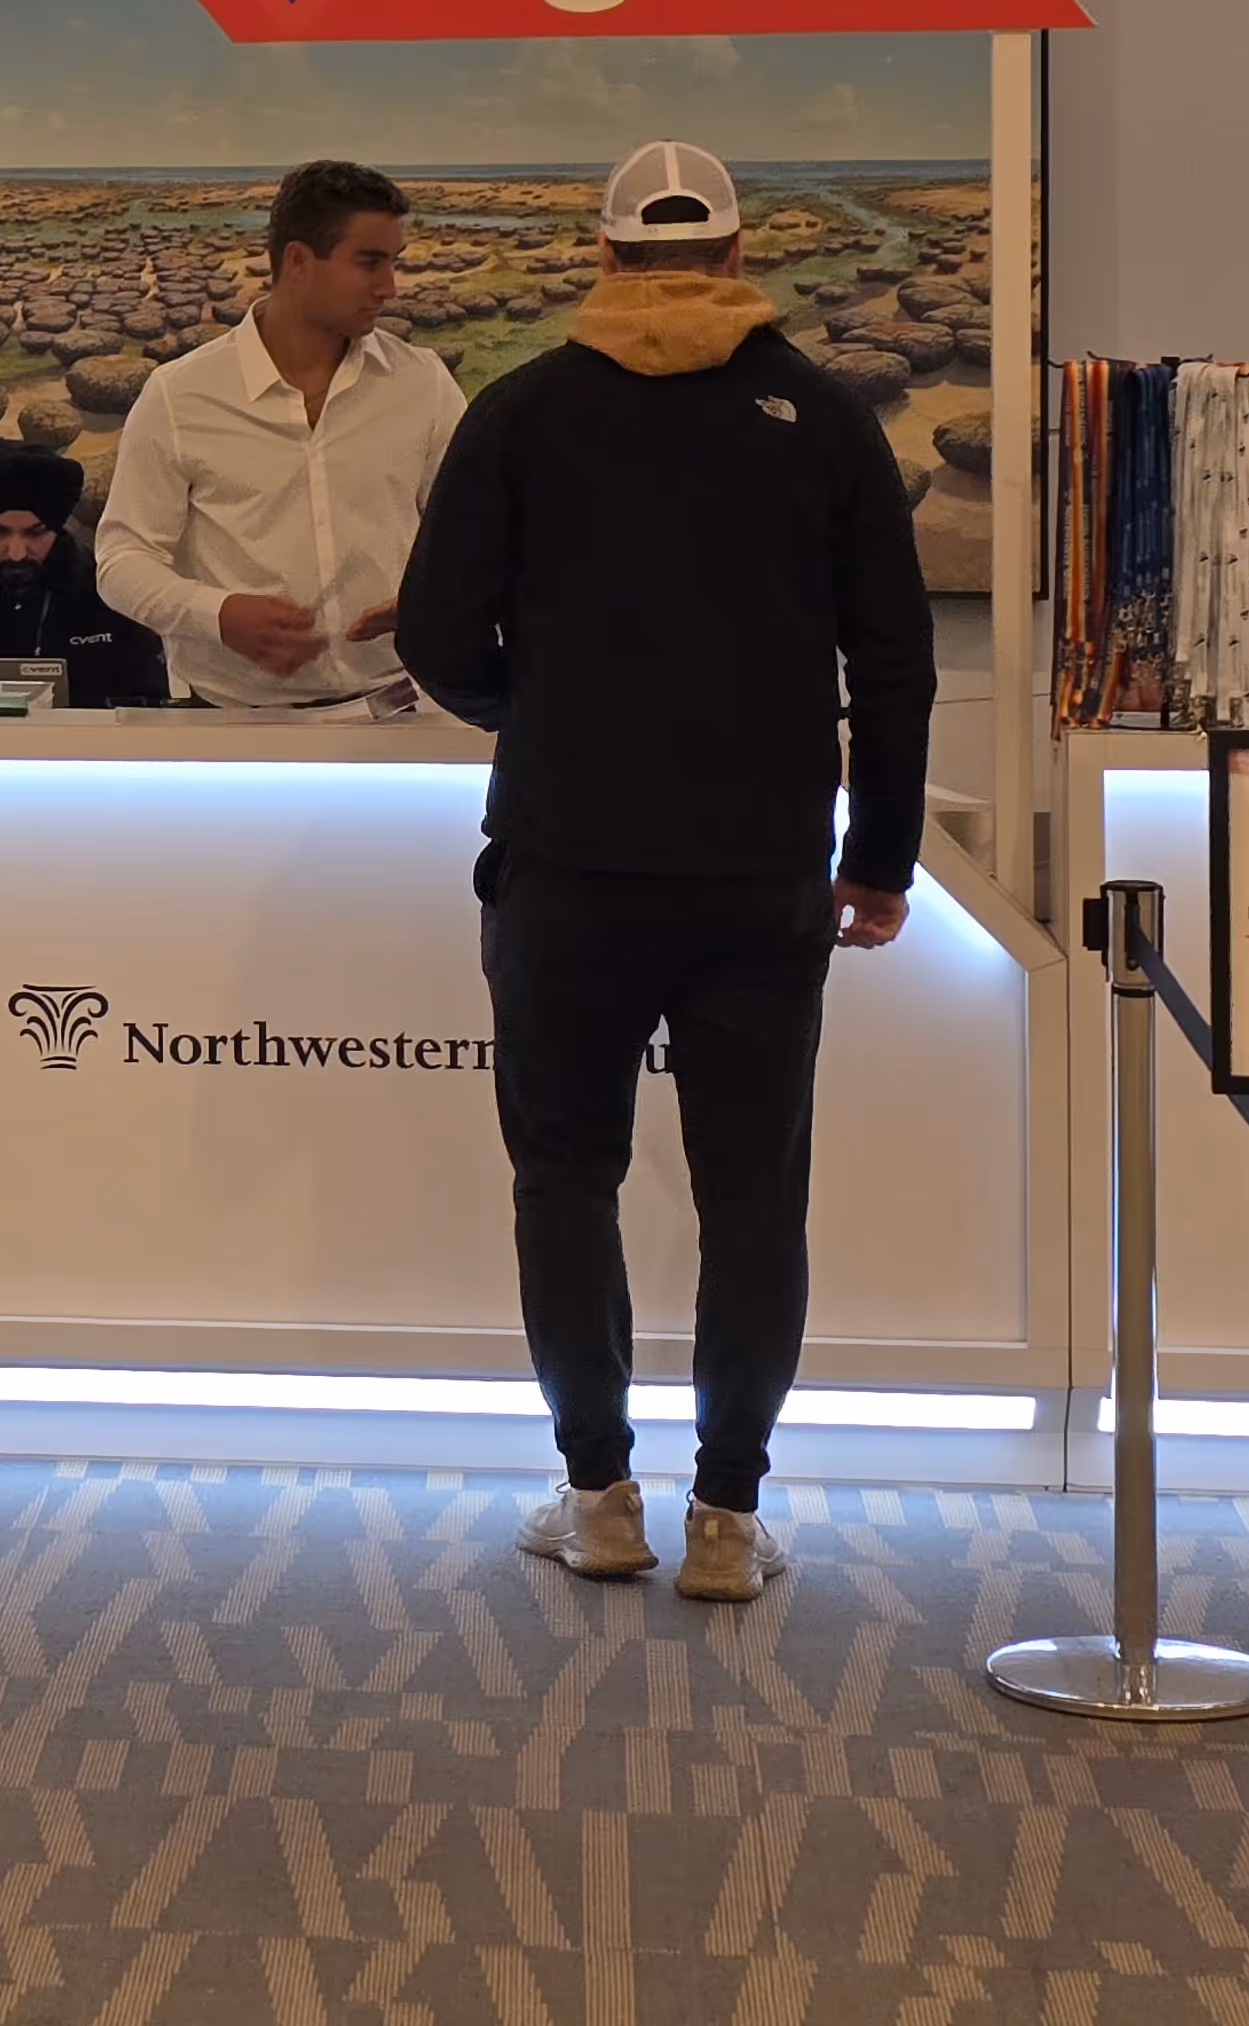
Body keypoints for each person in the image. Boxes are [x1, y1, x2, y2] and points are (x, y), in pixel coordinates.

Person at [396, 139, 937, 1604]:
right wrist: (879, 856)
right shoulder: (825, 416)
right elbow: (893, 661)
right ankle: (726, 1519)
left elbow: (435, 633)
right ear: (741, 255)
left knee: (564, 1182)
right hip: (761, 875)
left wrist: (539, 714)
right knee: (753, 1199)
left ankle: (598, 1499)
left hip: (564, 866)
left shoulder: (522, 410)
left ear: (605, 252)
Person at [92, 158, 463, 713]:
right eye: (370, 263)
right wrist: (216, 615)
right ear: (298, 262)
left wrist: (434, 598)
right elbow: (122, 560)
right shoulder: (178, 395)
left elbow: (472, 533)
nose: (389, 287)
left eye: (394, 262)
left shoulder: (424, 383)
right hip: (233, 722)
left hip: (403, 710)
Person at [0, 441, 167, 709]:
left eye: (35, 533)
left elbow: (148, 707)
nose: (16, 553)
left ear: (57, 528)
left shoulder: (110, 592)